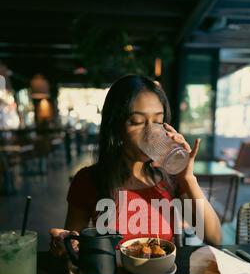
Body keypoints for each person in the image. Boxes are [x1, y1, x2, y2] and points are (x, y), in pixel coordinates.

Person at [50, 75, 221, 256]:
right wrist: (63, 246)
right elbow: (71, 244)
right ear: (116, 126)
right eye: (137, 122)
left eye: (157, 122)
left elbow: (214, 238)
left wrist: (187, 177)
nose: (150, 133)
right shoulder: (88, 179)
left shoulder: (172, 178)